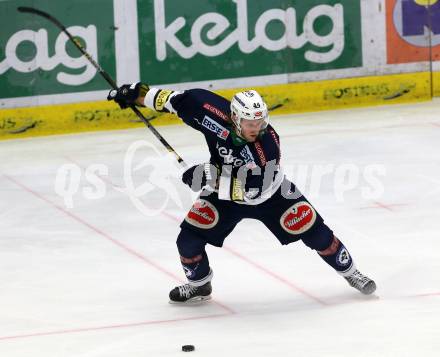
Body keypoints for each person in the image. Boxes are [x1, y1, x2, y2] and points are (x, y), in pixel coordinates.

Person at [107, 83, 376, 303]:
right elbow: (172, 100)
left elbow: (251, 189)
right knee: (187, 242)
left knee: (318, 235)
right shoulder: (207, 109)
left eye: (260, 121)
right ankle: (200, 285)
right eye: (249, 122)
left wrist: (205, 175)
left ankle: (353, 273)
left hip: (271, 194)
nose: (256, 128)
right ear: (235, 117)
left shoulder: (267, 146)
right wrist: (135, 94)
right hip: (223, 193)